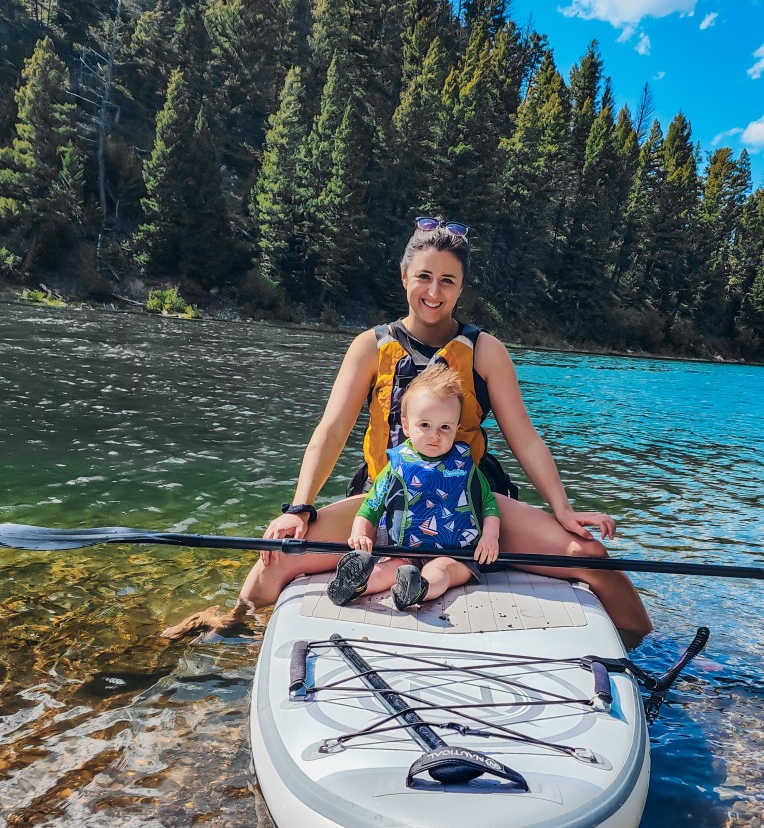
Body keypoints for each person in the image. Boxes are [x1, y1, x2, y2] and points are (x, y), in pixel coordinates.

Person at [167, 216, 651, 648]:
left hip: (468, 499)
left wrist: (562, 509)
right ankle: (233, 627)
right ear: (404, 277)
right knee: (277, 556)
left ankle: (642, 648)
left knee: (591, 555)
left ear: (461, 288)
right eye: (424, 277)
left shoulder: (486, 350)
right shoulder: (369, 347)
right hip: (389, 495)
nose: (434, 292)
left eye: (448, 280)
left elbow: (524, 436)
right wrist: (300, 506)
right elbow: (332, 428)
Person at [326, 362, 501, 610]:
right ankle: (355, 584)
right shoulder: (396, 467)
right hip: (405, 551)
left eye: (445, 427)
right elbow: (371, 506)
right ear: (406, 426)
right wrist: (361, 534)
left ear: (456, 428)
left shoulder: (466, 467)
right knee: (388, 569)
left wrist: (490, 537)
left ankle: (419, 589)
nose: (435, 435)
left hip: (457, 554)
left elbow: (488, 504)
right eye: (425, 425)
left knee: (442, 570)